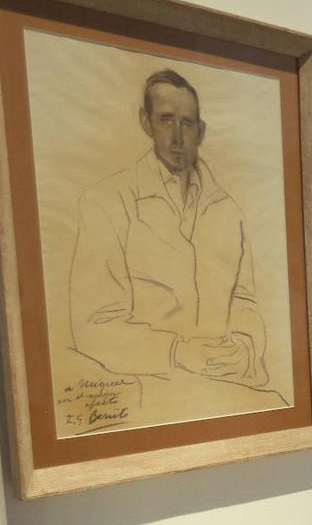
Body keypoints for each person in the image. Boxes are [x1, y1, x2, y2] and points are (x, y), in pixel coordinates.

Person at [69, 68, 275, 395]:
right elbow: (93, 325)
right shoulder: (106, 202)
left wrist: (246, 346)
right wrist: (175, 352)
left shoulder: (228, 210)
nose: (177, 137)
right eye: (166, 120)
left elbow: (245, 300)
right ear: (146, 122)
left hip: (229, 386)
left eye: (188, 124)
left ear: (201, 131)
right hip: (149, 389)